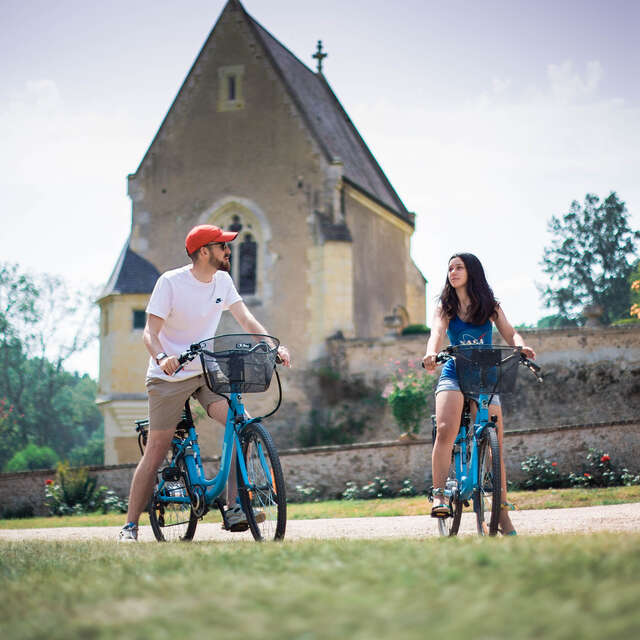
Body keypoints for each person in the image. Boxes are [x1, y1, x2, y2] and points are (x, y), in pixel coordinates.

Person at [119, 224, 291, 542]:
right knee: (156, 449)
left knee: (239, 421)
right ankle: (130, 526)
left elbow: (246, 319)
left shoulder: (222, 281)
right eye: (223, 246)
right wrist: (161, 359)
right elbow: (150, 333)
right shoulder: (171, 283)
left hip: (205, 370)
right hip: (167, 375)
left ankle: (235, 506)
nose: (229, 251)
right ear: (204, 251)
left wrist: (271, 345)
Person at [422, 252, 535, 536]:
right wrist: (430, 353)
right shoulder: (446, 307)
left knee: (495, 442)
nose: (453, 271)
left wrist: (521, 346)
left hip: (485, 373)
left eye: (459, 267)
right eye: (449, 268)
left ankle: (502, 515)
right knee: (446, 429)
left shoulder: (489, 306)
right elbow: (436, 332)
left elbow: (510, 332)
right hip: (454, 371)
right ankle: (439, 495)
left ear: (472, 271)